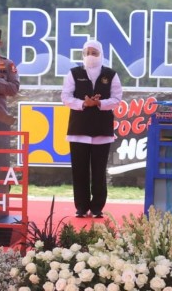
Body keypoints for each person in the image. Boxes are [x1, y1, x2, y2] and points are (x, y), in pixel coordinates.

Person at [61, 40, 122, 218]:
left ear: (101, 54)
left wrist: (100, 103)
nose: (90, 56)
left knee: (98, 171)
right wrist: (83, 103)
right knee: (79, 170)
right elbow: (65, 97)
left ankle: (97, 208)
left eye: (94, 52)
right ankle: (81, 207)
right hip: (78, 130)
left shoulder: (111, 74)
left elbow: (117, 98)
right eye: (87, 52)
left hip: (102, 131)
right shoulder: (74, 73)